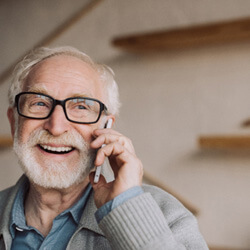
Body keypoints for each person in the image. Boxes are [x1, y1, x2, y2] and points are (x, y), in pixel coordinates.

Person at [0, 46, 208, 249]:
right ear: (14, 122)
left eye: (81, 107)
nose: (56, 127)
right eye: (39, 103)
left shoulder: (167, 214)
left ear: (107, 127)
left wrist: (127, 212)